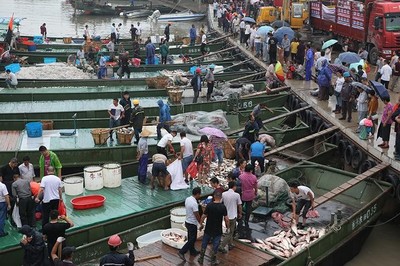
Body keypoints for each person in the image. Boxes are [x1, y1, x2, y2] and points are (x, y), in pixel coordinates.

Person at [198, 190, 229, 265]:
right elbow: (226, 219)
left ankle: (201, 258)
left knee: (204, 242)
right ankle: (213, 259)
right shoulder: (223, 207)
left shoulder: (209, 205)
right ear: (221, 197)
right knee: (216, 244)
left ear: (214, 196)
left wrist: (201, 224)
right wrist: (228, 227)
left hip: (208, 228)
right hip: (217, 230)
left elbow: (203, 216)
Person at [178, 187, 202, 261]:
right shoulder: (194, 203)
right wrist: (200, 223)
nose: (200, 196)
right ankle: (182, 251)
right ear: (197, 194)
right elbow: (196, 214)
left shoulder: (188, 199)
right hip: (192, 223)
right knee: (192, 239)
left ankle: (192, 251)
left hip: (187, 221)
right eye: (199, 194)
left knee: (190, 237)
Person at [219, 181, 242, 253]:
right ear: (234, 186)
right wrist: (240, 213)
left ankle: (230, 244)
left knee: (228, 230)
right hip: (233, 216)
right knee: (230, 232)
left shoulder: (223, 194)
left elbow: (220, 203)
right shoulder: (237, 195)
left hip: (226, 216)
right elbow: (239, 205)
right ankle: (222, 246)